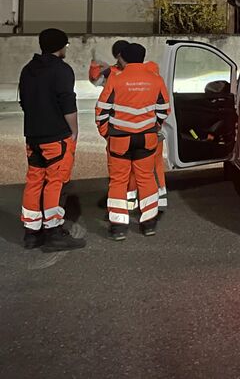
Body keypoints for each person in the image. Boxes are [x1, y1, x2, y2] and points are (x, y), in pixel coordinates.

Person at [18, 28, 86, 250]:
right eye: (65, 45)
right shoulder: (62, 70)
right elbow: (68, 103)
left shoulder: (28, 70)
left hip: (33, 136)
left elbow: (24, 102)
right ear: (60, 46)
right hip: (56, 137)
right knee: (55, 183)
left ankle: (31, 232)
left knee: (34, 181)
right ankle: (54, 232)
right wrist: (73, 131)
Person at [96, 43, 170, 239]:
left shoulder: (116, 79)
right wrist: (154, 127)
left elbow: (101, 109)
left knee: (118, 180)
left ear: (123, 58)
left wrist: (105, 132)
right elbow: (164, 109)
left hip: (119, 139)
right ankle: (149, 223)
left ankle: (119, 227)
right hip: (146, 138)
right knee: (146, 178)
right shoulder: (155, 79)